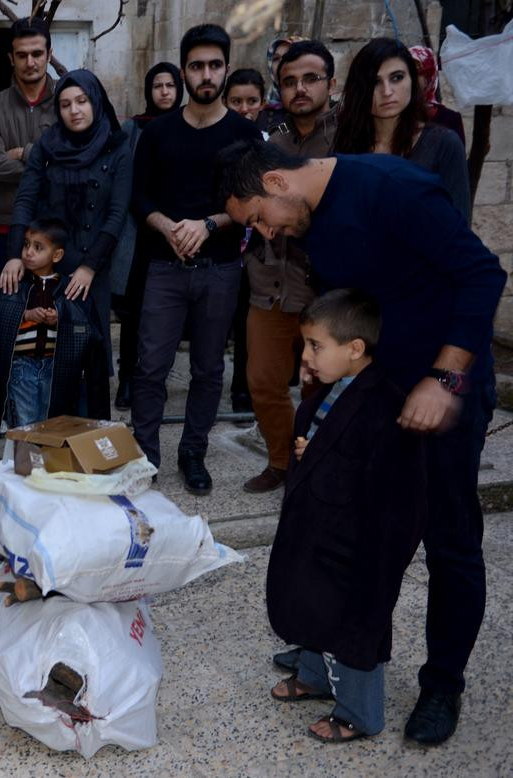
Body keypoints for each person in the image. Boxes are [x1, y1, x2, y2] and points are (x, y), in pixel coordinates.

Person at [216, 138, 506, 745]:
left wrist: (444, 377)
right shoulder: (312, 222)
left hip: (444, 393)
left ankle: (442, 684)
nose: (265, 235)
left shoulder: (393, 190)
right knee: (350, 532)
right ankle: (336, 655)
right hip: (376, 391)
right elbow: (351, 310)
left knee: (450, 540)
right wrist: (321, 373)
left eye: (259, 220)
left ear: (276, 182)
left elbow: (483, 274)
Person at [267, 289, 427, 742]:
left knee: (353, 626)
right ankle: (316, 676)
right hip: (320, 531)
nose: (306, 356)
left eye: (316, 346)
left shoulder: (387, 408)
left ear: (355, 348)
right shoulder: (336, 389)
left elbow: (395, 493)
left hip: (358, 547)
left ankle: (360, 713)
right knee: (310, 605)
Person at [130, 24, 261, 493]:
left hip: (221, 269)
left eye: (214, 65)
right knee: (150, 368)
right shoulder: (158, 132)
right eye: (197, 66)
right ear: (183, 70)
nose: (206, 75)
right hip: (164, 268)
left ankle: (193, 452)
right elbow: (138, 198)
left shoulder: (246, 134)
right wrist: (168, 226)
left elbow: (253, 201)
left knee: (208, 369)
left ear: (226, 69)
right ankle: (145, 457)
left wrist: (208, 224)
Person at [241, 39, 338, 494]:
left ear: (330, 84)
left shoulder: (347, 139)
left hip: (326, 289)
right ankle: (282, 462)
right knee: (263, 381)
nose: (300, 88)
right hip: (270, 283)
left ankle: (322, 465)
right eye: (289, 81)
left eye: (310, 79)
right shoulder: (272, 141)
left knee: (324, 383)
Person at [1, 69, 133, 388]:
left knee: (90, 361)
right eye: (65, 104)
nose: (74, 110)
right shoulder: (46, 148)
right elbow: (25, 200)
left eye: (82, 101)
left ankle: (88, 420)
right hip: (48, 267)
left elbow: (116, 214)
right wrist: (16, 254)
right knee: (43, 361)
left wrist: (89, 267)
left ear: (96, 102)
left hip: (92, 268)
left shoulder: (118, 148)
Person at [0, 218, 108, 428]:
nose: (28, 252)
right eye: (26, 245)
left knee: (53, 424)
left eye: (38, 247)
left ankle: (43, 451)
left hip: (57, 369)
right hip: (21, 368)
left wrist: (60, 318)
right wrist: (25, 315)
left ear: (57, 255)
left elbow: (89, 332)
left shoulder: (70, 289)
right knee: (26, 426)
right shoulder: (12, 283)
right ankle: (26, 451)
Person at [333, 37, 471, 220]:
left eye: (397, 78)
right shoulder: (346, 141)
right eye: (375, 82)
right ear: (360, 89)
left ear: (412, 80)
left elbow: (458, 223)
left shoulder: (443, 144)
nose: (387, 91)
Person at [113, 62, 185, 411]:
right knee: (134, 313)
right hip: (138, 233)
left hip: (177, 231)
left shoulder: (188, 124)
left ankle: (154, 379)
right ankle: (128, 378)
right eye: (158, 85)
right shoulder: (133, 127)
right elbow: (123, 177)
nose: (165, 92)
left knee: (166, 314)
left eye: (170, 85)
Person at [0, 17, 58, 309]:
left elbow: (70, 163)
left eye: (37, 53)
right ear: (11, 58)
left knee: (52, 319)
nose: (30, 62)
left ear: (49, 55)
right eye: (22, 55)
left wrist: (23, 152)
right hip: (3, 227)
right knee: (2, 317)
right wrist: (45, 165)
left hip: (55, 229)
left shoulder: (66, 102)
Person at [222, 66, 270, 414]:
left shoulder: (270, 141)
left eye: (251, 101)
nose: (244, 109)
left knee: (248, 322)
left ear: (263, 103)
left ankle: (243, 386)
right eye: (236, 101)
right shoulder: (218, 140)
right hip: (223, 243)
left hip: (259, 247)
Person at [408, 45, 466, 146]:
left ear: (429, 76)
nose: (410, 78)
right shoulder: (395, 117)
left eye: (417, 72)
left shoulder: (451, 119)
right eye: (405, 73)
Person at [256, 35, 306, 129]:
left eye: (288, 56)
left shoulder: (315, 107)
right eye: (276, 59)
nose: (281, 63)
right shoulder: (258, 107)